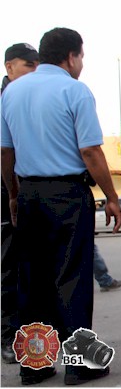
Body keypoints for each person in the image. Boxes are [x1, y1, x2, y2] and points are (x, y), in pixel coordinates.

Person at [0, 28, 121, 386]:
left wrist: (12, 193)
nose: (81, 64)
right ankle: (80, 365)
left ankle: (34, 365)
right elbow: (90, 151)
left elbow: (5, 152)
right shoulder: (75, 90)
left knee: (33, 282)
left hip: (29, 193)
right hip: (68, 193)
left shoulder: (12, 92)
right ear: (70, 56)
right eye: (81, 57)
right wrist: (112, 197)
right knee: (72, 278)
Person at [1, 43, 39, 364]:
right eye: (28, 65)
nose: (34, 72)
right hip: (6, 197)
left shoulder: (27, 99)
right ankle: (7, 336)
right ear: (9, 67)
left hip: (25, 194)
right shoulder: (5, 100)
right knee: (9, 268)